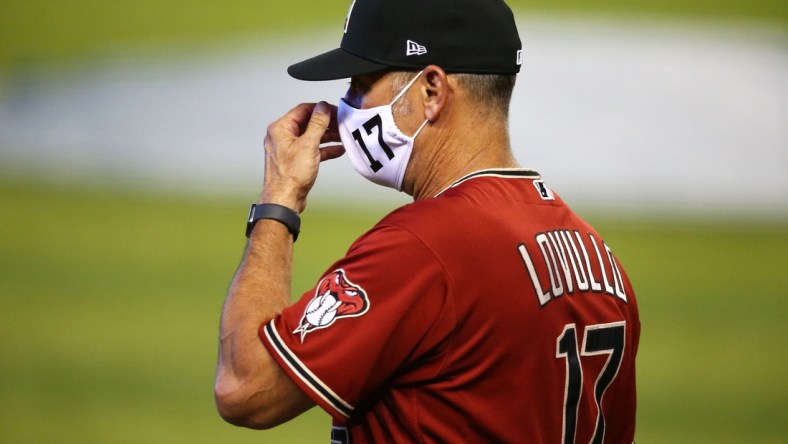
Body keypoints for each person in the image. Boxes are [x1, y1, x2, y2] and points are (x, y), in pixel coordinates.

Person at [214, 0, 640, 442]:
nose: (343, 107)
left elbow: (246, 388)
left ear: (432, 91)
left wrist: (279, 200)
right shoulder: (598, 258)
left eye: (361, 85)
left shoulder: (425, 246)